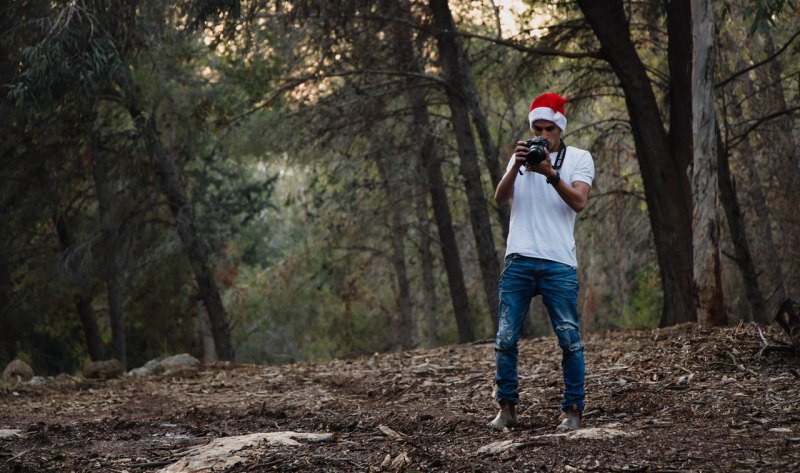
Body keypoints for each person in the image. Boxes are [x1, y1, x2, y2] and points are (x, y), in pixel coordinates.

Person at [489, 92, 594, 432]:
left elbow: (578, 202)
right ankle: (506, 408)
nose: (544, 135)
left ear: (560, 129)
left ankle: (573, 411)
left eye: (550, 129)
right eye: (538, 128)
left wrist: (550, 173)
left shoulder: (579, 158)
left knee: (569, 339)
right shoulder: (519, 158)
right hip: (518, 257)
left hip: (558, 262)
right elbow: (501, 198)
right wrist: (518, 164)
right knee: (505, 338)